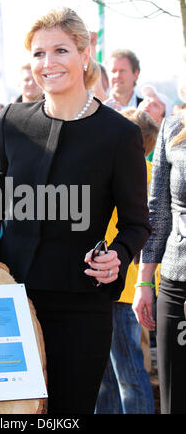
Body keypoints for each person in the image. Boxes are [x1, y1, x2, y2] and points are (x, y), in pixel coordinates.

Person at [0, 7, 150, 414]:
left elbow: (136, 223)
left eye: (60, 50)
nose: (48, 63)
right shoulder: (12, 120)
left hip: (82, 305)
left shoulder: (120, 135)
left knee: (67, 413)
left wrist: (119, 254)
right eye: (38, 54)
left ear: (84, 55)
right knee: (10, 413)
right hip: (13, 298)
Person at [95, 107, 159, 414]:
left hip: (121, 288)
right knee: (111, 374)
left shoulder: (131, 175)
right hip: (123, 285)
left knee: (126, 373)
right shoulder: (144, 173)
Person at [132, 107, 186, 414]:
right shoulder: (173, 125)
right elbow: (159, 212)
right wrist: (144, 281)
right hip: (176, 286)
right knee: (174, 401)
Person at [138, 85, 173, 162]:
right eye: (147, 100)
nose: (148, 104)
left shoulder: (162, 148)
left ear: (162, 119)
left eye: (155, 105)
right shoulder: (123, 126)